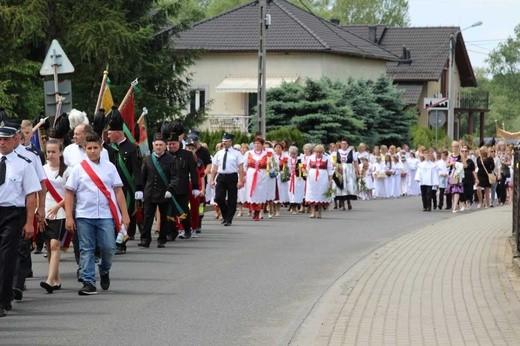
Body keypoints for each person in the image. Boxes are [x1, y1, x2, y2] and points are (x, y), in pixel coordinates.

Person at [65, 133, 130, 295]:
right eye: (89, 148)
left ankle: (104, 269)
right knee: (86, 248)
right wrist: (68, 216)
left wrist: (125, 214)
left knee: (109, 247)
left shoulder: (110, 167)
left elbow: (118, 191)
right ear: (84, 149)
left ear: (101, 148)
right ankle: (88, 281)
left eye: (95, 148)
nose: (92, 151)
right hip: (84, 215)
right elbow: (69, 193)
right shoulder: (78, 168)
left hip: (106, 215)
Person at [0, 124, 41, 317]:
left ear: (14, 140)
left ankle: (3, 299)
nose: (2, 143)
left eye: (6, 140)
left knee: (7, 258)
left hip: (12, 214)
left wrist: (29, 222)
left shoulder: (24, 163)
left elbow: (31, 195)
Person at [106, 110, 143, 254]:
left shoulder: (133, 148)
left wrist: (139, 188)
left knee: (123, 215)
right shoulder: (108, 149)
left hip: (126, 189)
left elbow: (137, 170)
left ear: (119, 133)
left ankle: (121, 244)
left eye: (110, 132)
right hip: (110, 188)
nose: (108, 135)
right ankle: (113, 241)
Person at [40, 139, 70, 293]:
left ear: (60, 152)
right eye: (48, 152)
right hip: (45, 211)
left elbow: (71, 193)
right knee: (48, 245)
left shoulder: (67, 170)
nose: (50, 155)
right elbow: (39, 191)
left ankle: (49, 279)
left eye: (53, 151)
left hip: (61, 211)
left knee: (55, 244)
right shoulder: (42, 169)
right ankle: (56, 279)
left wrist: (59, 205)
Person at [139, 133, 174, 248]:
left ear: (165, 146)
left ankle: (162, 239)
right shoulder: (148, 159)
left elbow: (175, 177)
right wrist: (141, 190)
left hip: (164, 193)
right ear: (153, 145)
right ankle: (145, 239)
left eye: (161, 144)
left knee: (163, 217)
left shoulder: (170, 159)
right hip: (150, 192)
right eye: (156, 144)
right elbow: (143, 177)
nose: (158, 147)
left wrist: (170, 189)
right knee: (147, 217)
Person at [165, 133, 199, 239]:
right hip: (168, 189)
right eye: (169, 144)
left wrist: (195, 187)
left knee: (183, 211)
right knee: (169, 211)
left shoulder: (187, 155)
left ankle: (187, 229)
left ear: (178, 143)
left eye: (174, 144)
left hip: (182, 188)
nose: (171, 146)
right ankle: (172, 232)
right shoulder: (164, 155)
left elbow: (193, 172)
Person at [210, 133, 244, 226]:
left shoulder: (237, 153)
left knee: (232, 199)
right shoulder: (219, 153)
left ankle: (229, 219)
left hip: (232, 176)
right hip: (221, 176)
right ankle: (225, 215)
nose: (224, 142)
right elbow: (214, 168)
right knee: (218, 197)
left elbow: (241, 168)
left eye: (226, 141)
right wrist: (212, 179)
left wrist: (241, 180)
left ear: (231, 142)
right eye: (223, 141)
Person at [242, 136, 270, 221]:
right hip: (251, 174)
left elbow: (271, 167)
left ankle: (258, 212)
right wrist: (244, 175)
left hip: (262, 175)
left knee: (260, 193)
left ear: (262, 145)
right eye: (255, 143)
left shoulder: (266, 154)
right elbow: (244, 165)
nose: (257, 145)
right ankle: (253, 210)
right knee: (252, 193)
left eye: (259, 143)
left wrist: (270, 164)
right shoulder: (249, 153)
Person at [305, 144, 334, 218]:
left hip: (322, 179)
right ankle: (313, 212)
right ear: (314, 151)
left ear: (323, 152)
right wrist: (303, 172)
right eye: (317, 152)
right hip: (312, 179)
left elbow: (330, 170)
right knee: (311, 193)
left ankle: (319, 212)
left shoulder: (327, 158)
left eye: (320, 152)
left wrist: (330, 180)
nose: (318, 154)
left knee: (321, 194)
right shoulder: (310, 158)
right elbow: (307, 168)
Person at [334, 139, 359, 210]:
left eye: (345, 144)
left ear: (347, 145)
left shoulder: (351, 151)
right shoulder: (337, 152)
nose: (343, 145)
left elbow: (356, 162)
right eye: (342, 144)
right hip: (340, 170)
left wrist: (357, 172)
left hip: (349, 170)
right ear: (340, 145)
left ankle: (349, 202)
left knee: (348, 186)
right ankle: (342, 205)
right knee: (341, 186)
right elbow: (335, 162)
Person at [459, 146, 477, 211]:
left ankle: (468, 202)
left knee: (469, 191)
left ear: (468, 152)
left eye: (466, 151)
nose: (464, 152)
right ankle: (463, 205)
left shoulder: (470, 161)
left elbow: (472, 170)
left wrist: (476, 178)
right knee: (462, 192)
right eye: (462, 151)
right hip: (462, 178)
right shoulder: (459, 160)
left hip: (469, 178)